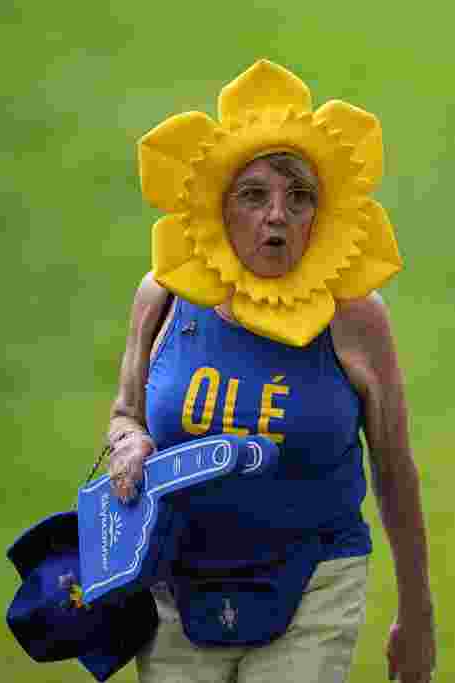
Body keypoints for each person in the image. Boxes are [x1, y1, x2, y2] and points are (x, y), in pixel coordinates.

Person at [104, 59, 435, 683]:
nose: (276, 215)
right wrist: (130, 442)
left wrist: (416, 614)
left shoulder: (356, 317)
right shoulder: (166, 294)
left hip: (315, 577)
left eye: (298, 198)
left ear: (324, 214)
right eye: (253, 195)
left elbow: (393, 468)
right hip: (175, 582)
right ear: (219, 208)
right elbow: (126, 411)